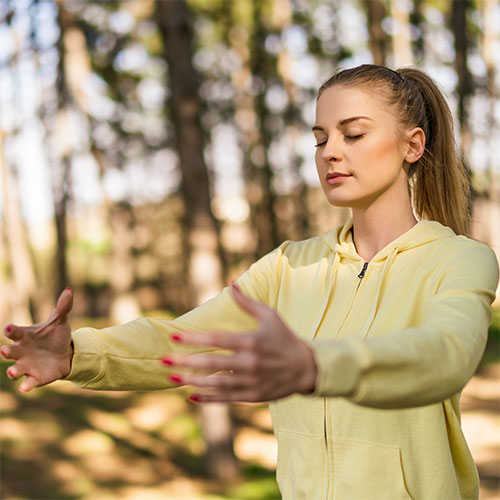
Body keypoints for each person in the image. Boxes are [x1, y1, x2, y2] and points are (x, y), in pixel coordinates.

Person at [2, 64, 498, 500]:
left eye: (354, 134)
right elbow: (187, 341)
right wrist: (76, 355)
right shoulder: (289, 265)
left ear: (413, 145)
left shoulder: (459, 260)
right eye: (321, 137)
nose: (330, 152)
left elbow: (444, 355)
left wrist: (315, 366)